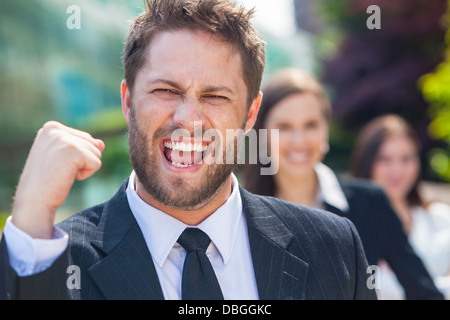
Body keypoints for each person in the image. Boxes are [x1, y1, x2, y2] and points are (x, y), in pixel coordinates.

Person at [0, 0, 376, 300]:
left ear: (250, 114)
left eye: (214, 96)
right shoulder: (54, 263)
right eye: (166, 90)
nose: (189, 119)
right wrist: (31, 218)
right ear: (128, 102)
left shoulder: (334, 248)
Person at [243, 68, 444, 300]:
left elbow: (425, 292)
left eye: (311, 125)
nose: (299, 141)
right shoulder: (240, 215)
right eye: (284, 127)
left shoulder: (370, 203)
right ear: (263, 134)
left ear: (326, 129)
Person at [350, 114, 450, 299]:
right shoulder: (348, 228)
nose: (396, 170)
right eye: (385, 159)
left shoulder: (442, 220)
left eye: (406, 159)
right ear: (367, 161)